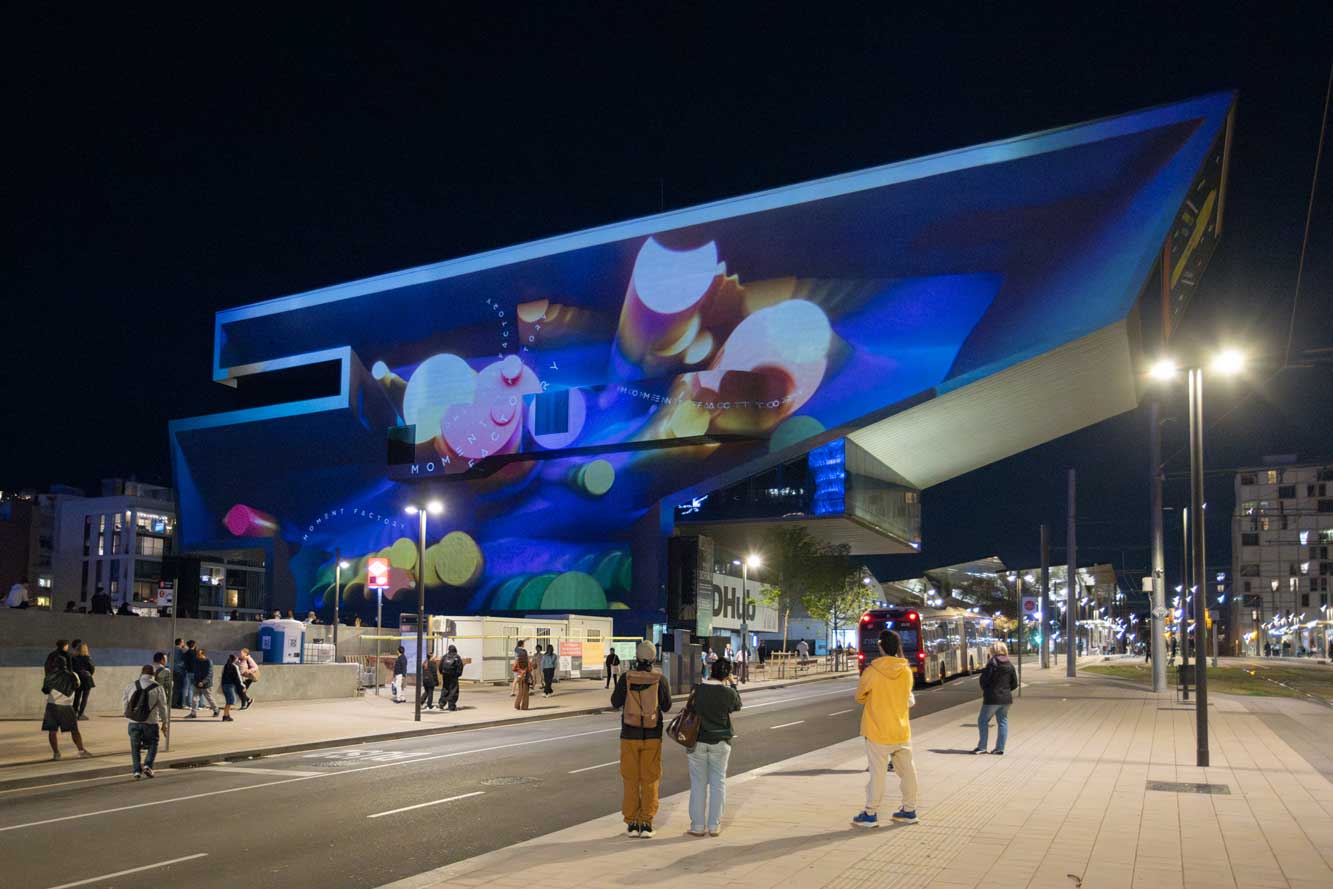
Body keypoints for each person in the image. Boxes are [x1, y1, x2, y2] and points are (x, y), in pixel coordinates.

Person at [851, 629, 918, 827]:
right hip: (901, 729)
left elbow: (859, 697)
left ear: (880, 647)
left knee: (877, 774)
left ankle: (870, 814)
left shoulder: (872, 671)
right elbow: (907, 697)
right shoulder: (906, 670)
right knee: (908, 772)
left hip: (877, 729)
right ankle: (909, 810)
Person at [610, 640, 673, 838]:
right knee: (650, 779)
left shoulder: (626, 677)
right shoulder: (659, 679)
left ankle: (631, 823)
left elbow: (615, 702)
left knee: (630, 779)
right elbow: (667, 706)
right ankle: (646, 822)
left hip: (629, 734)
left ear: (637, 657)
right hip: (653, 735)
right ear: (653, 658)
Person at [686, 657, 742, 837]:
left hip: (697, 742)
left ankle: (697, 826)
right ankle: (714, 825)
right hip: (720, 742)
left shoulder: (697, 689)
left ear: (711, 670)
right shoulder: (728, 693)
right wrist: (732, 685)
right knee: (718, 783)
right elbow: (737, 705)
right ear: (727, 674)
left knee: (698, 784)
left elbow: (690, 709)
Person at [42, 643, 90, 760]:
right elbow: (77, 687)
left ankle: (56, 754)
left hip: (52, 705)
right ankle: (81, 750)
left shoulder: (49, 676)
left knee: (52, 731)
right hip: (66, 705)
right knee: (74, 730)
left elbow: (45, 690)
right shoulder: (73, 675)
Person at [974, 642, 1018, 755]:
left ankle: (982, 747)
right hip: (1006, 699)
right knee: (1003, 721)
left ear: (993, 651)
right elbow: (1014, 683)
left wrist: (986, 689)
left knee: (982, 720)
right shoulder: (1010, 664)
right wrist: (1006, 690)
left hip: (992, 698)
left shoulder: (992, 664)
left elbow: (984, 680)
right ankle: (1000, 748)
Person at [123, 665, 168, 778]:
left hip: (133, 722)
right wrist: (164, 722)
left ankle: (136, 770)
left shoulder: (131, 685)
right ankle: (148, 765)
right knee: (153, 743)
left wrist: (129, 717)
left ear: (142, 672)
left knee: (135, 746)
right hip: (150, 722)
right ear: (154, 674)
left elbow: (125, 703)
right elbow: (162, 706)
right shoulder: (158, 687)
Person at [187, 647, 219, 718]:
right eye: (197, 654)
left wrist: (203, 682)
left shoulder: (208, 662)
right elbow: (195, 671)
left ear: (203, 654)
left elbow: (210, 674)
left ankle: (216, 710)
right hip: (197, 683)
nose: (197, 656)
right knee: (195, 699)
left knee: (209, 698)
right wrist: (195, 681)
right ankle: (193, 713)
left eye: (199, 654)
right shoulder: (196, 661)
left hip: (206, 684)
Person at [71, 641, 96, 720]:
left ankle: (74, 713)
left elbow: (72, 668)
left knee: (77, 696)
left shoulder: (73, 658)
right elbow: (92, 669)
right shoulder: (87, 658)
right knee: (84, 698)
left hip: (78, 679)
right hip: (87, 679)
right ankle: (81, 714)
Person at [220, 654, 244, 722]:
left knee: (228, 701)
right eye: (237, 659)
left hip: (224, 685)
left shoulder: (225, 665)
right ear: (234, 660)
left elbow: (222, 675)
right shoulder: (234, 666)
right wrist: (242, 685)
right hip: (230, 685)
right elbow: (238, 677)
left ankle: (227, 715)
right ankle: (225, 716)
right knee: (231, 701)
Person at [439, 644, 464, 711]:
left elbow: (440, 666)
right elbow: (460, 666)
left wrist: (442, 673)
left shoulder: (444, 656)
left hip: (445, 675)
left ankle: (441, 703)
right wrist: (458, 674)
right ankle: (451, 706)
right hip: (453, 676)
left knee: (445, 689)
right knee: (453, 690)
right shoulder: (457, 657)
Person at [171, 639, 189, 709]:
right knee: (181, 688)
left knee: (175, 687)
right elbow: (188, 652)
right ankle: (180, 703)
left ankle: (174, 703)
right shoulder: (181, 650)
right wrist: (185, 647)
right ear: (181, 643)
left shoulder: (172, 650)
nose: (184, 643)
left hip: (173, 670)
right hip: (180, 671)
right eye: (183, 642)